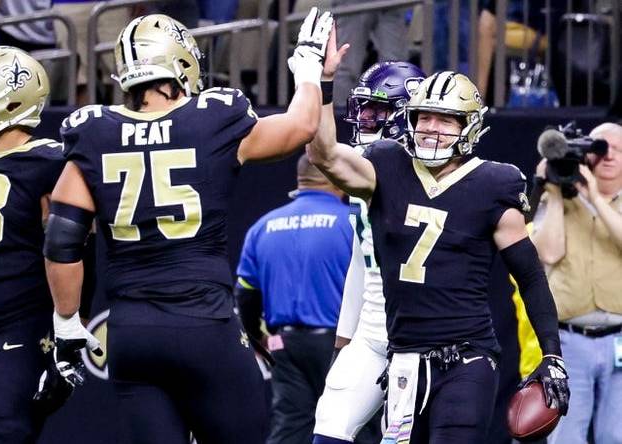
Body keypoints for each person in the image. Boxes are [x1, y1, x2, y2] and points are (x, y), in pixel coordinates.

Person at [39, 10, 333, 444]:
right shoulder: (213, 118)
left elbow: (63, 239)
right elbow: (302, 125)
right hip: (205, 326)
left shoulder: (94, 131)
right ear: (179, 64)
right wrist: (308, 67)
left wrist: (66, 323)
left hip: (132, 334)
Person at [308, 36, 570, 443]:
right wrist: (324, 86)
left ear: (470, 127)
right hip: (402, 359)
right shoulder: (386, 164)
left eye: (445, 120)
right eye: (424, 117)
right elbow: (324, 154)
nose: (431, 128)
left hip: (466, 357)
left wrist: (551, 353)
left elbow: (531, 277)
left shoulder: (493, 182)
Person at [311, 60, 426, 444]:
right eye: (363, 108)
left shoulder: (443, 178)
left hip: (429, 340)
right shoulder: (366, 175)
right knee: (329, 424)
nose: (365, 118)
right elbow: (363, 264)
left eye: (377, 109)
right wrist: (344, 340)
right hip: (374, 332)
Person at [0, 45, 70, 444]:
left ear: (14, 98)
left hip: (14, 324)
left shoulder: (53, 161)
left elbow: (76, 251)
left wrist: (67, 334)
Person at [235, 153, 352, 444]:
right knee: (353, 429)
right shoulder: (352, 224)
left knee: (290, 430)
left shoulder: (263, 227)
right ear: (337, 178)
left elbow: (245, 297)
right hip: (343, 349)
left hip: (286, 346)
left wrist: (260, 341)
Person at [532, 122, 622, 444]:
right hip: (571, 339)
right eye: (599, 148)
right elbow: (548, 254)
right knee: (566, 437)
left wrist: (595, 198)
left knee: (616, 435)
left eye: (618, 149)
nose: (608, 155)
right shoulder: (560, 197)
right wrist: (555, 194)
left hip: (620, 340)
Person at [331, 0, 411, 107]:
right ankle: (341, 118)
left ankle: (394, 116)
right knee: (347, 67)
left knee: (396, 67)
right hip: (352, 4)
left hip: (392, 5)